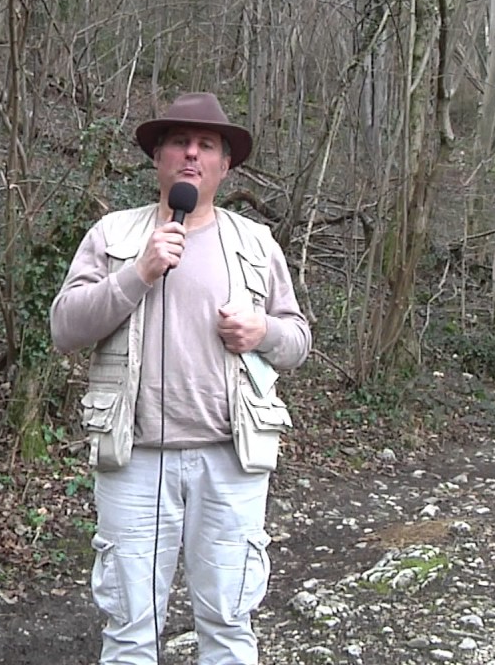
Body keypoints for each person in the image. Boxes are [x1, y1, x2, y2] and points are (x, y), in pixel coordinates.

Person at [50, 92, 311, 664]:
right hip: (135, 460)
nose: (191, 153)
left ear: (224, 165)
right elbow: (65, 328)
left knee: (228, 622)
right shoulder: (115, 235)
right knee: (130, 626)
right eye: (179, 142)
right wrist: (138, 274)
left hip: (231, 460)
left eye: (206, 145)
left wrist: (261, 330)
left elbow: (297, 341)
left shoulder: (256, 243)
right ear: (158, 157)